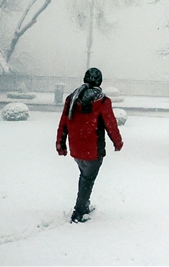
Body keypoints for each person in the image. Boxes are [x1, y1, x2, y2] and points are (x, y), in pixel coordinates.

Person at [56, 67, 123, 223]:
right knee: (88, 179)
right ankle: (79, 212)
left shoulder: (72, 99)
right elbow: (110, 124)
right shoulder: (103, 101)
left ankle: (84, 205)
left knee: (85, 176)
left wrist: (61, 144)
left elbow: (64, 122)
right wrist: (117, 143)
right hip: (94, 150)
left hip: (76, 148)